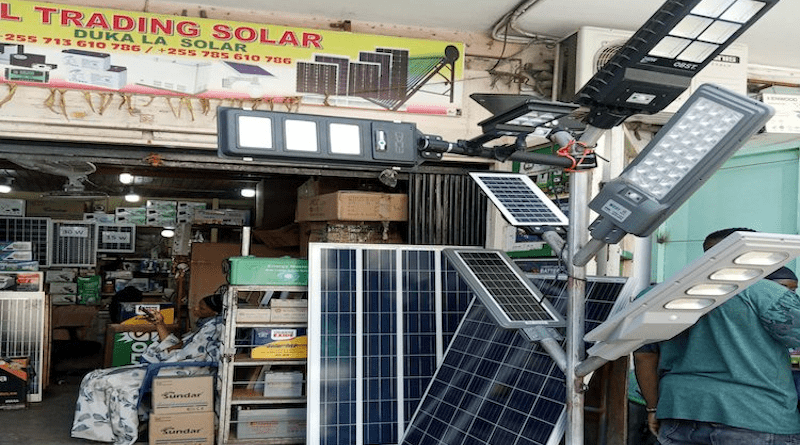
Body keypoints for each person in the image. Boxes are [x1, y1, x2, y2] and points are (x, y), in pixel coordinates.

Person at [634, 228, 800, 444]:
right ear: (745, 251)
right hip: (757, 417)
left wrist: (653, 407)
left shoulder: (656, 295)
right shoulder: (764, 293)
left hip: (679, 414)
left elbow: (643, 357)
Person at [71, 293, 225, 445]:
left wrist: (169, 355)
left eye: (202, 308)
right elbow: (178, 348)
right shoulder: (204, 325)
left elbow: (187, 354)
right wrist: (159, 323)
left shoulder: (213, 327)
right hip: (169, 365)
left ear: (215, 312)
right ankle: (99, 432)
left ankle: (118, 432)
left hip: (180, 370)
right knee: (93, 377)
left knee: (108, 381)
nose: (195, 309)